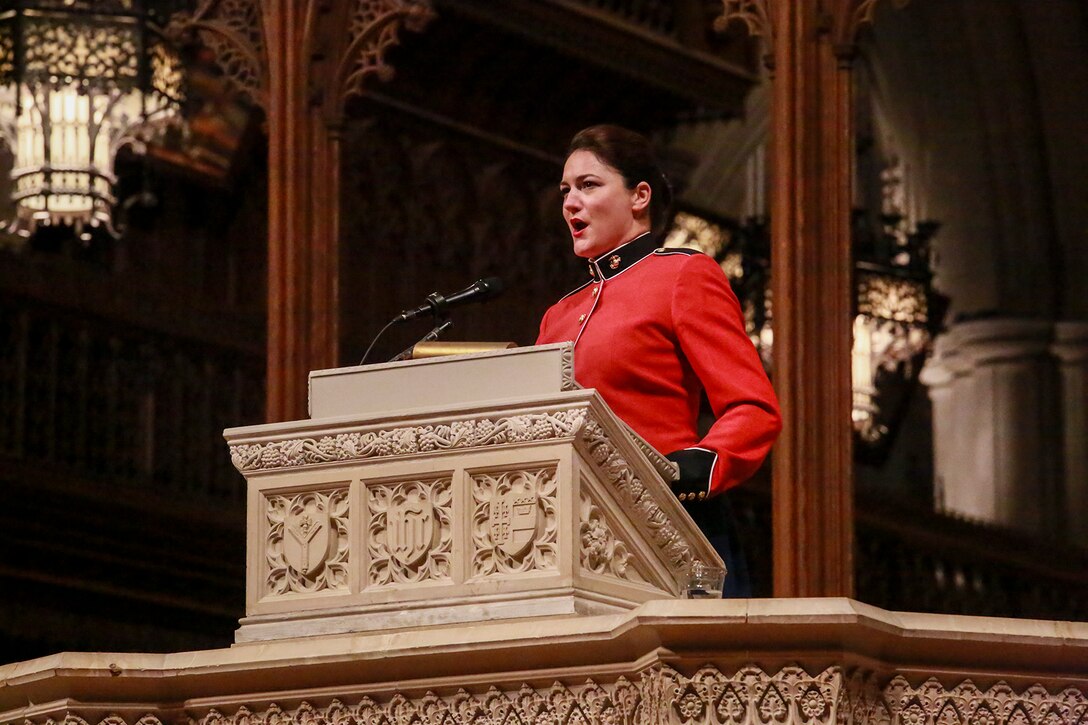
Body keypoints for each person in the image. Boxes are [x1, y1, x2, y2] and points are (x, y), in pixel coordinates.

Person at [536, 125, 782, 596]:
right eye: (566, 189)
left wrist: (686, 472)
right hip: (569, 535)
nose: (570, 202)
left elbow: (754, 409)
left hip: (668, 524)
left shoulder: (684, 275)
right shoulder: (557, 316)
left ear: (639, 196)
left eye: (589, 185)